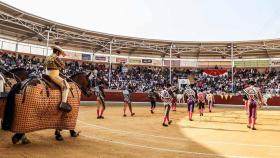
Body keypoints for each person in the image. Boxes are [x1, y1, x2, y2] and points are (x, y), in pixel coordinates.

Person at [45, 45, 71, 111]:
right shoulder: (56, 57)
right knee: (66, 86)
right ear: (57, 52)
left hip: (46, 74)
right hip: (54, 75)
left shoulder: (48, 57)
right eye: (59, 53)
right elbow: (63, 66)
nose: (60, 54)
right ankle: (63, 103)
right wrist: (63, 56)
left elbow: (44, 65)